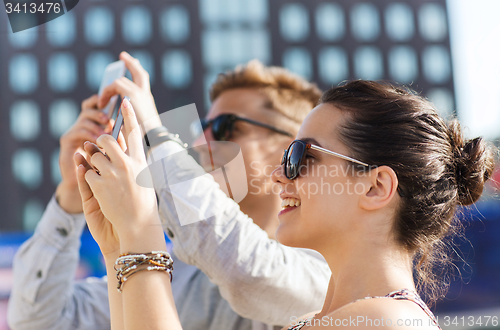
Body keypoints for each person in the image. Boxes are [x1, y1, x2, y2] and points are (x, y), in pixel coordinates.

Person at [76, 80, 495, 329]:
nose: (279, 175)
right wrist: (118, 249)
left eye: (300, 157)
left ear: (375, 187)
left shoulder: (383, 321)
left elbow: (238, 260)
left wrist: (141, 234)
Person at [8, 53, 330, 330]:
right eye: (202, 126)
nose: (203, 140)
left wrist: (155, 134)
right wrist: (71, 196)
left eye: (224, 126)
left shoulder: (327, 265)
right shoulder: (179, 269)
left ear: (289, 148)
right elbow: (41, 321)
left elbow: (246, 270)